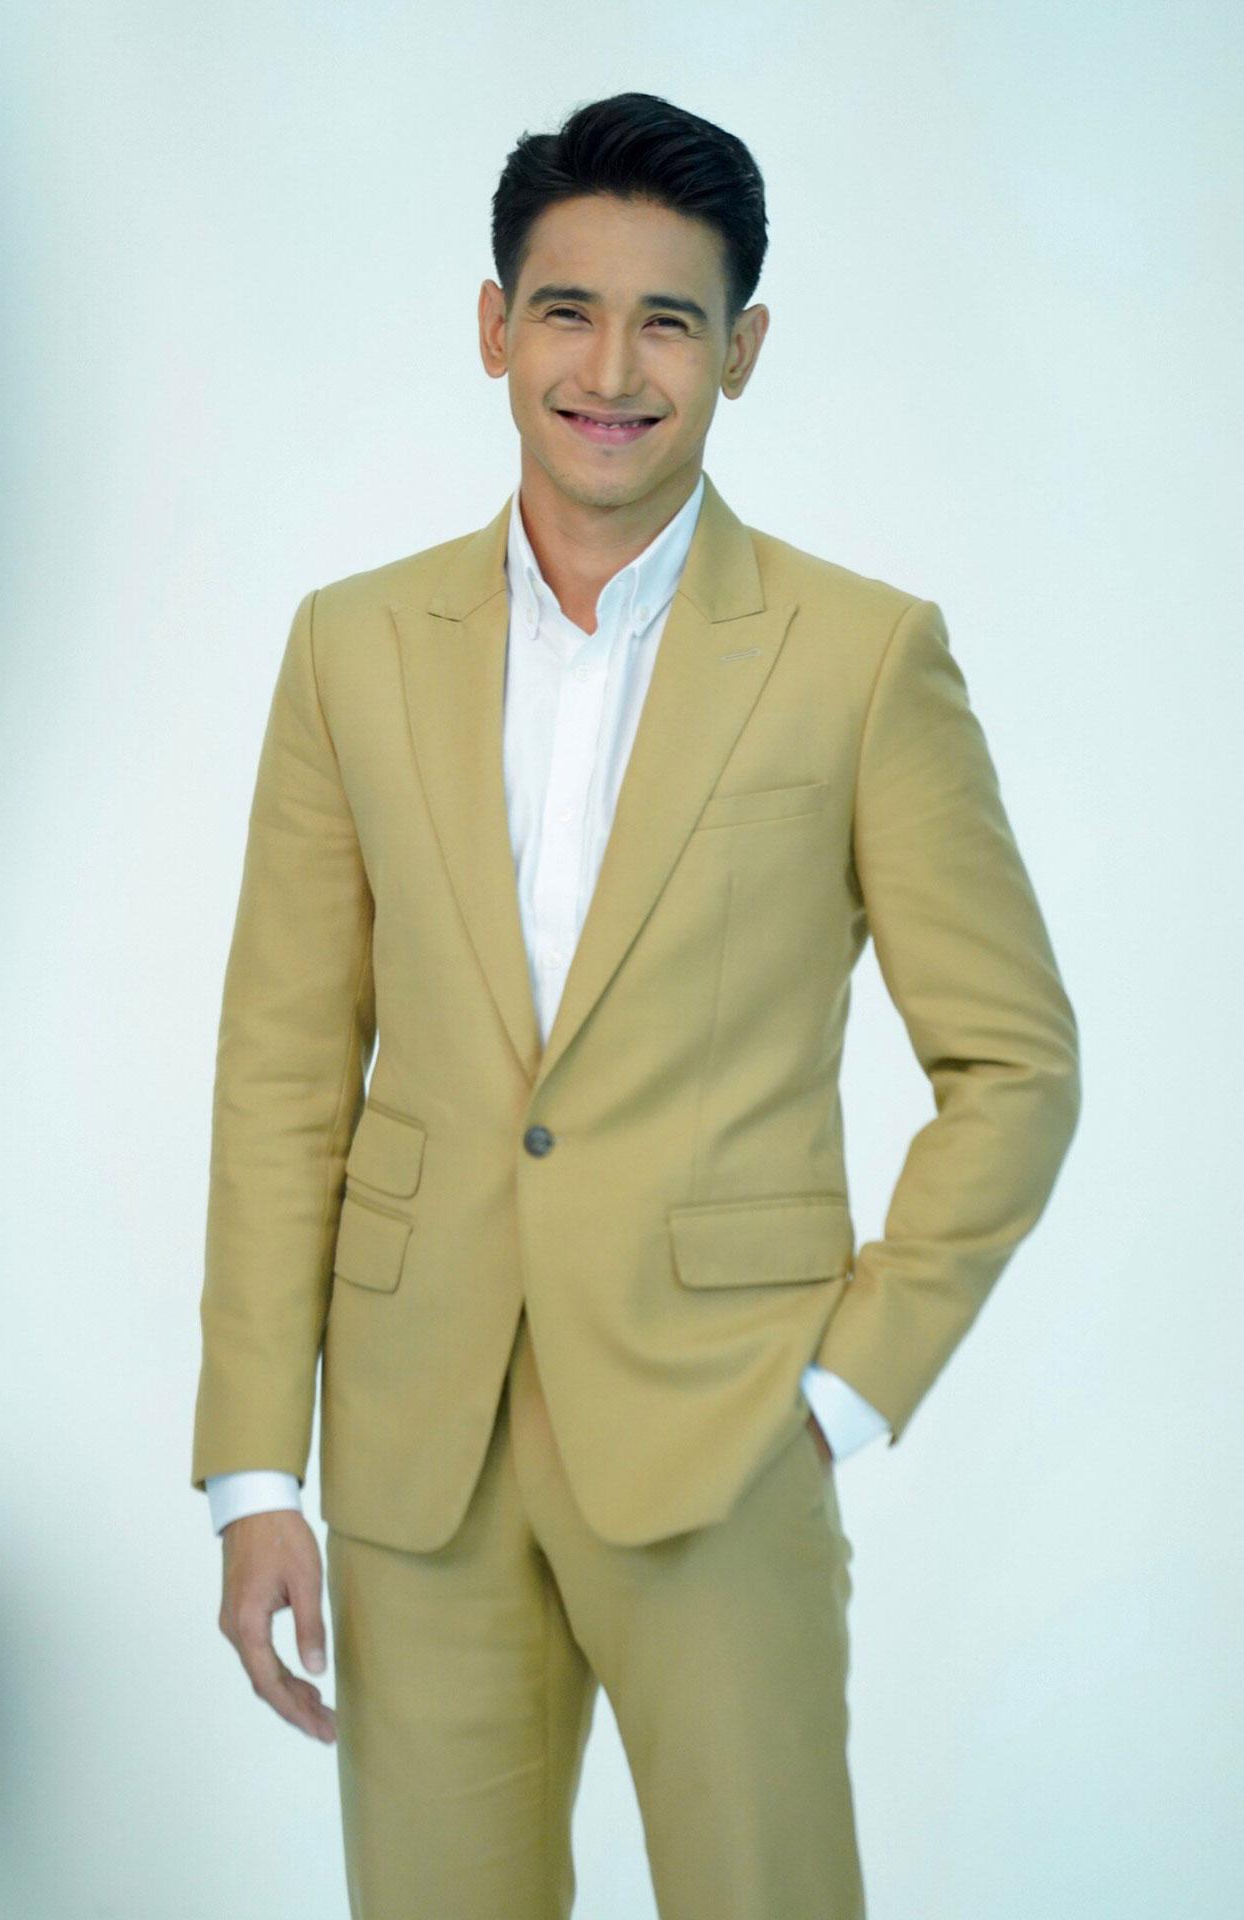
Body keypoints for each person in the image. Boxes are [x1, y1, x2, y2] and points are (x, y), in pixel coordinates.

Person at [191, 89, 1081, 1920]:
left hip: (723, 1436)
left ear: (741, 350)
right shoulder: (351, 645)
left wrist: (842, 1393)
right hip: (416, 1456)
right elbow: (284, 1070)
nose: (612, 369)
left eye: (669, 321)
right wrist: (254, 1471)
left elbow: (1015, 1065)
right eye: (569, 311)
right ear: (494, 327)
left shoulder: (861, 657)